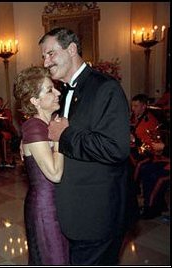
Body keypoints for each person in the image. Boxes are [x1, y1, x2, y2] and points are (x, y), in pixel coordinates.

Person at [39, 27, 131, 265]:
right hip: (76, 212)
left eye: (50, 54)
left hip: (98, 215)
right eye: (43, 56)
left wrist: (65, 134)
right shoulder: (63, 93)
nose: (46, 62)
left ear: (71, 49)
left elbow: (115, 148)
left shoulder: (105, 88)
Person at [14, 65, 69, 265]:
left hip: (56, 204)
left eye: (54, 87)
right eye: (49, 90)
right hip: (45, 209)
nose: (57, 92)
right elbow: (54, 174)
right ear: (35, 101)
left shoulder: (48, 123)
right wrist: (60, 138)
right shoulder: (34, 126)